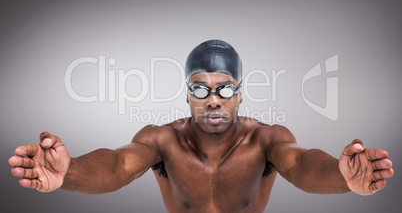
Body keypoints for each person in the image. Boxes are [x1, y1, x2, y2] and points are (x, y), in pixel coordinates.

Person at [9, 40, 394, 212]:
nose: (213, 99)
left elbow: (300, 165)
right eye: (200, 88)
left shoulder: (266, 139)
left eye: (225, 88)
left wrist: (341, 176)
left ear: (240, 95)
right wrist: (70, 171)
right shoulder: (162, 140)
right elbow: (118, 165)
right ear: (188, 95)